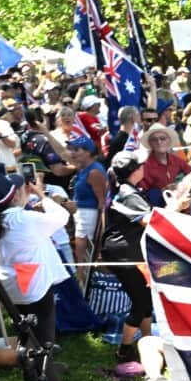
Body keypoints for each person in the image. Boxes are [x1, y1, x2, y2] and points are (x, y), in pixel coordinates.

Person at [0, 172, 68, 381]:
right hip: (32, 283)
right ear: (16, 194)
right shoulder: (23, 219)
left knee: (28, 335)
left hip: (9, 286)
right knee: (43, 339)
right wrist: (41, 194)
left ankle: (44, 375)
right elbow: (62, 216)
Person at [100, 150, 154, 364]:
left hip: (124, 252)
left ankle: (148, 342)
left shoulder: (125, 189)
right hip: (125, 254)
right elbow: (148, 220)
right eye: (141, 165)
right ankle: (124, 350)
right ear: (135, 171)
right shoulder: (128, 193)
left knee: (144, 299)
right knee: (140, 303)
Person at [66, 135, 106, 276]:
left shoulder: (94, 171)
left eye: (77, 150)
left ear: (88, 152)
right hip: (82, 214)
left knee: (85, 252)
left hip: (90, 216)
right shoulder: (83, 168)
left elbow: (102, 202)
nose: (73, 153)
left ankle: (85, 277)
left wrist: (100, 231)